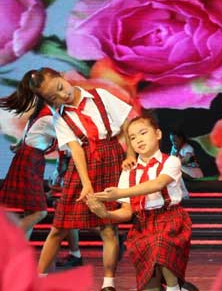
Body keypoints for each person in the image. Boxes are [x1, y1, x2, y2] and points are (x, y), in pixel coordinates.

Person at [11, 67, 135, 291]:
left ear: (62, 77)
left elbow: (126, 121)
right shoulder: (60, 116)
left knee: (108, 228)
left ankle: (108, 283)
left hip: (111, 159)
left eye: (60, 88)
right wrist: (85, 183)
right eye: (53, 97)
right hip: (84, 164)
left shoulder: (100, 95)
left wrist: (130, 154)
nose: (62, 96)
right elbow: (76, 149)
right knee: (59, 227)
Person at [86, 115, 195, 291]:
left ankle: (174, 288)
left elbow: (157, 184)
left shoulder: (171, 161)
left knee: (160, 242)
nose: (138, 140)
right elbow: (127, 211)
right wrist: (105, 214)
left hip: (170, 219)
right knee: (150, 286)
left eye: (143, 133)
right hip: (142, 225)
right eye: (133, 138)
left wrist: (120, 192)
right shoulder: (128, 173)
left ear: (158, 134)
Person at [0, 83, 57, 240]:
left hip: (29, 160)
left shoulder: (39, 116)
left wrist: (18, 145)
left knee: (31, 211)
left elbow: (25, 139)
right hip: (30, 163)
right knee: (40, 212)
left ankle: (18, 254)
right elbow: (69, 138)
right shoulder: (48, 118)